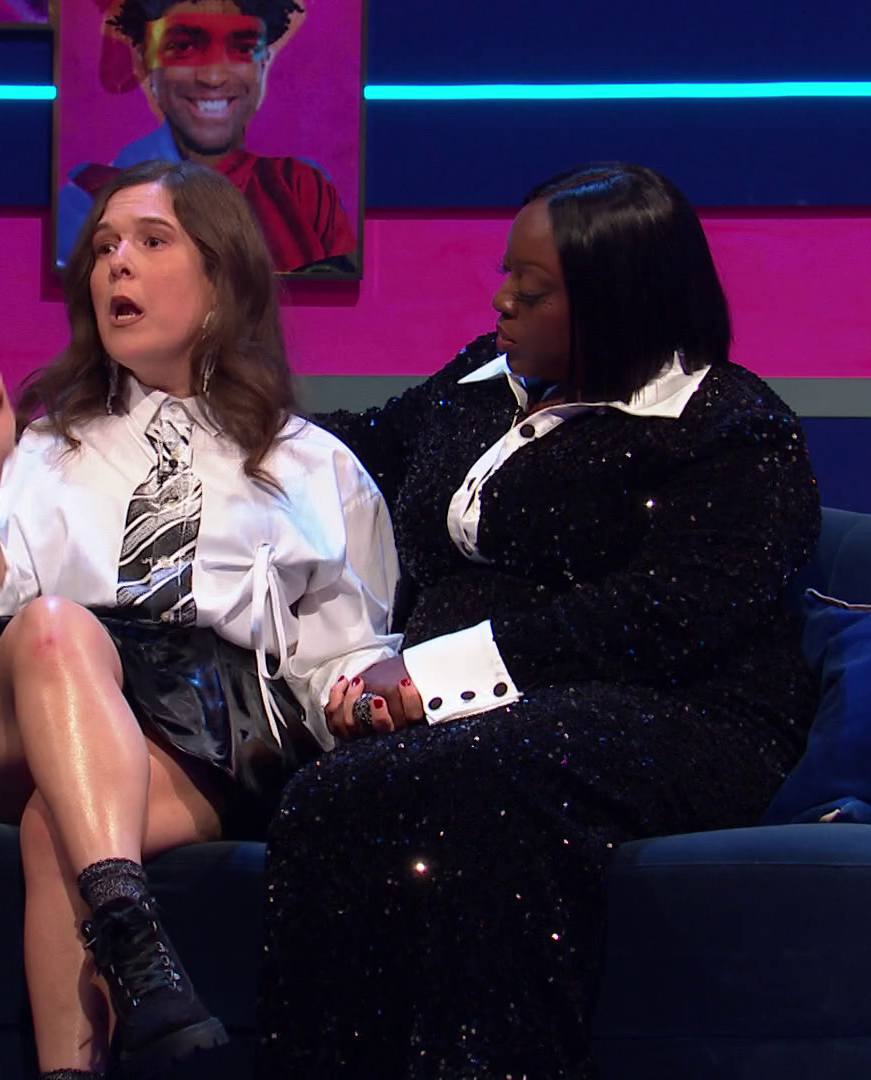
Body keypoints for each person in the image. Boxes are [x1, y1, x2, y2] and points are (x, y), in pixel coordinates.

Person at [257, 163, 824, 1078]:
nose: (503, 302)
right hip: (472, 718)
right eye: (506, 275)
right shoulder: (479, 383)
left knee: (480, 783)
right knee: (328, 794)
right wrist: (216, 418)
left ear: (620, 300)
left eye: (534, 287)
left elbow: (667, 617)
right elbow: (354, 453)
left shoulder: (730, 428)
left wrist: (431, 677)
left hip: (677, 713)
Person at [0, 158, 397, 1078]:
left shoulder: (314, 466)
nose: (116, 265)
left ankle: (104, 986)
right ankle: (136, 934)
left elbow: (339, 655)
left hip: (209, 735)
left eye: (149, 241)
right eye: (103, 248)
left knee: (60, 826)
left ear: (220, 280)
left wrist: (367, 693)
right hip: (32, 700)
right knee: (57, 628)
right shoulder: (44, 449)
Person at [56, 0, 358, 275]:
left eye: (243, 48)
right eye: (184, 47)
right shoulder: (90, 201)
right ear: (144, 60)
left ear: (264, 63)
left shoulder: (305, 192)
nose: (214, 77)